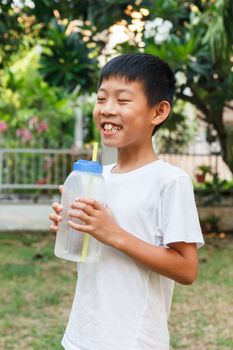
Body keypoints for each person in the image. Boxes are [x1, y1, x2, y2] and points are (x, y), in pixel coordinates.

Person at [49, 53, 204, 350]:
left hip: (133, 340)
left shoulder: (169, 180)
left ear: (158, 112)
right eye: (101, 99)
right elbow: (95, 251)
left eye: (122, 101)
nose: (107, 110)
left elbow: (187, 269)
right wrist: (73, 227)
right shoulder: (98, 178)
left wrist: (113, 234)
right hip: (82, 334)